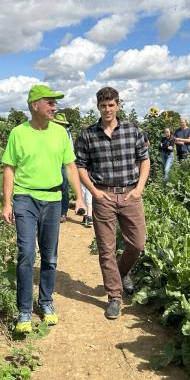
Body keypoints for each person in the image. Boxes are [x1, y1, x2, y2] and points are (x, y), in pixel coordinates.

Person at [1, 84, 86, 334]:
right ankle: (24, 310)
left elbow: (70, 166)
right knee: (26, 253)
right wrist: (7, 203)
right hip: (25, 198)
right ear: (34, 105)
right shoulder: (18, 133)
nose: (54, 107)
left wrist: (79, 198)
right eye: (49, 102)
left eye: (54, 102)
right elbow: (9, 168)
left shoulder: (60, 133)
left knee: (49, 256)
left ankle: (46, 302)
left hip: (52, 199)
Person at [75, 86, 150, 320]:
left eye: (111, 105)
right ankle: (114, 297)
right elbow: (80, 166)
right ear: (98, 106)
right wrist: (94, 193)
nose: (107, 109)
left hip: (129, 195)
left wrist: (138, 189)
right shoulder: (87, 135)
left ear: (118, 105)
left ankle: (121, 272)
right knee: (106, 249)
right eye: (103, 105)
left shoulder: (133, 131)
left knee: (137, 243)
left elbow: (144, 160)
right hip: (104, 197)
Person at [52, 112, 72, 223]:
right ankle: (54, 212)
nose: (60, 126)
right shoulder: (48, 133)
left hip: (64, 165)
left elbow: (71, 151)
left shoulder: (67, 135)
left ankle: (63, 213)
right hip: (52, 164)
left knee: (64, 189)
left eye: (62, 124)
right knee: (53, 188)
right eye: (58, 123)